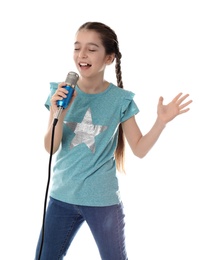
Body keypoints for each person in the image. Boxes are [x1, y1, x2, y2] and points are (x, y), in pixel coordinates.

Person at [35, 21, 192, 260]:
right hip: (61, 197)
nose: (82, 54)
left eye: (91, 48)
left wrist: (161, 121)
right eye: (77, 48)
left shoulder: (120, 100)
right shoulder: (60, 92)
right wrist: (60, 112)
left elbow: (139, 149)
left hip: (102, 201)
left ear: (109, 58)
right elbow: (50, 147)